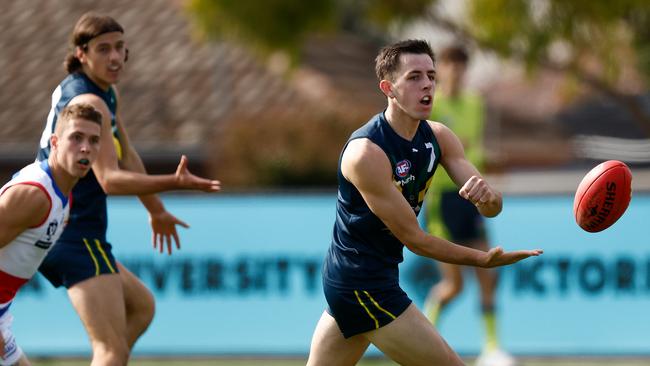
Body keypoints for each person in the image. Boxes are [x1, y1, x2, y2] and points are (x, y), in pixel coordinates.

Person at [306, 39, 542, 366]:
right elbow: (415, 239)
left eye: (431, 76)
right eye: (414, 77)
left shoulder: (439, 137)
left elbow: (492, 205)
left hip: (362, 282)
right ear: (388, 88)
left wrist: (489, 200)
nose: (427, 84)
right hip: (363, 284)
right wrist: (482, 260)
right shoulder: (367, 154)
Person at [35, 12, 220, 366]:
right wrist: (175, 182)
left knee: (141, 307)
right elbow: (110, 179)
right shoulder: (91, 104)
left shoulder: (99, 92)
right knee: (111, 349)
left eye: (120, 47)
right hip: (73, 232)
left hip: (69, 229)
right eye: (104, 49)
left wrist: (156, 210)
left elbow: (128, 153)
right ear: (82, 53)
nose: (115, 57)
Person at [421, 45, 513, 366]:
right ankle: (423, 340)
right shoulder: (431, 104)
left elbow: (474, 152)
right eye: (450, 65)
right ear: (442, 68)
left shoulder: (476, 104)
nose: (456, 71)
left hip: (474, 201)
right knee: (453, 285)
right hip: (442, 202)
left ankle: (491, 349)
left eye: (462, 65)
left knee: (489, 274)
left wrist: (489, 165)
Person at [0, 104, 103, 366]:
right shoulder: (36, 194)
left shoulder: (63, 197)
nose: (85, 148)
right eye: (76, 137)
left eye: (94, 140)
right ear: (54, 142)